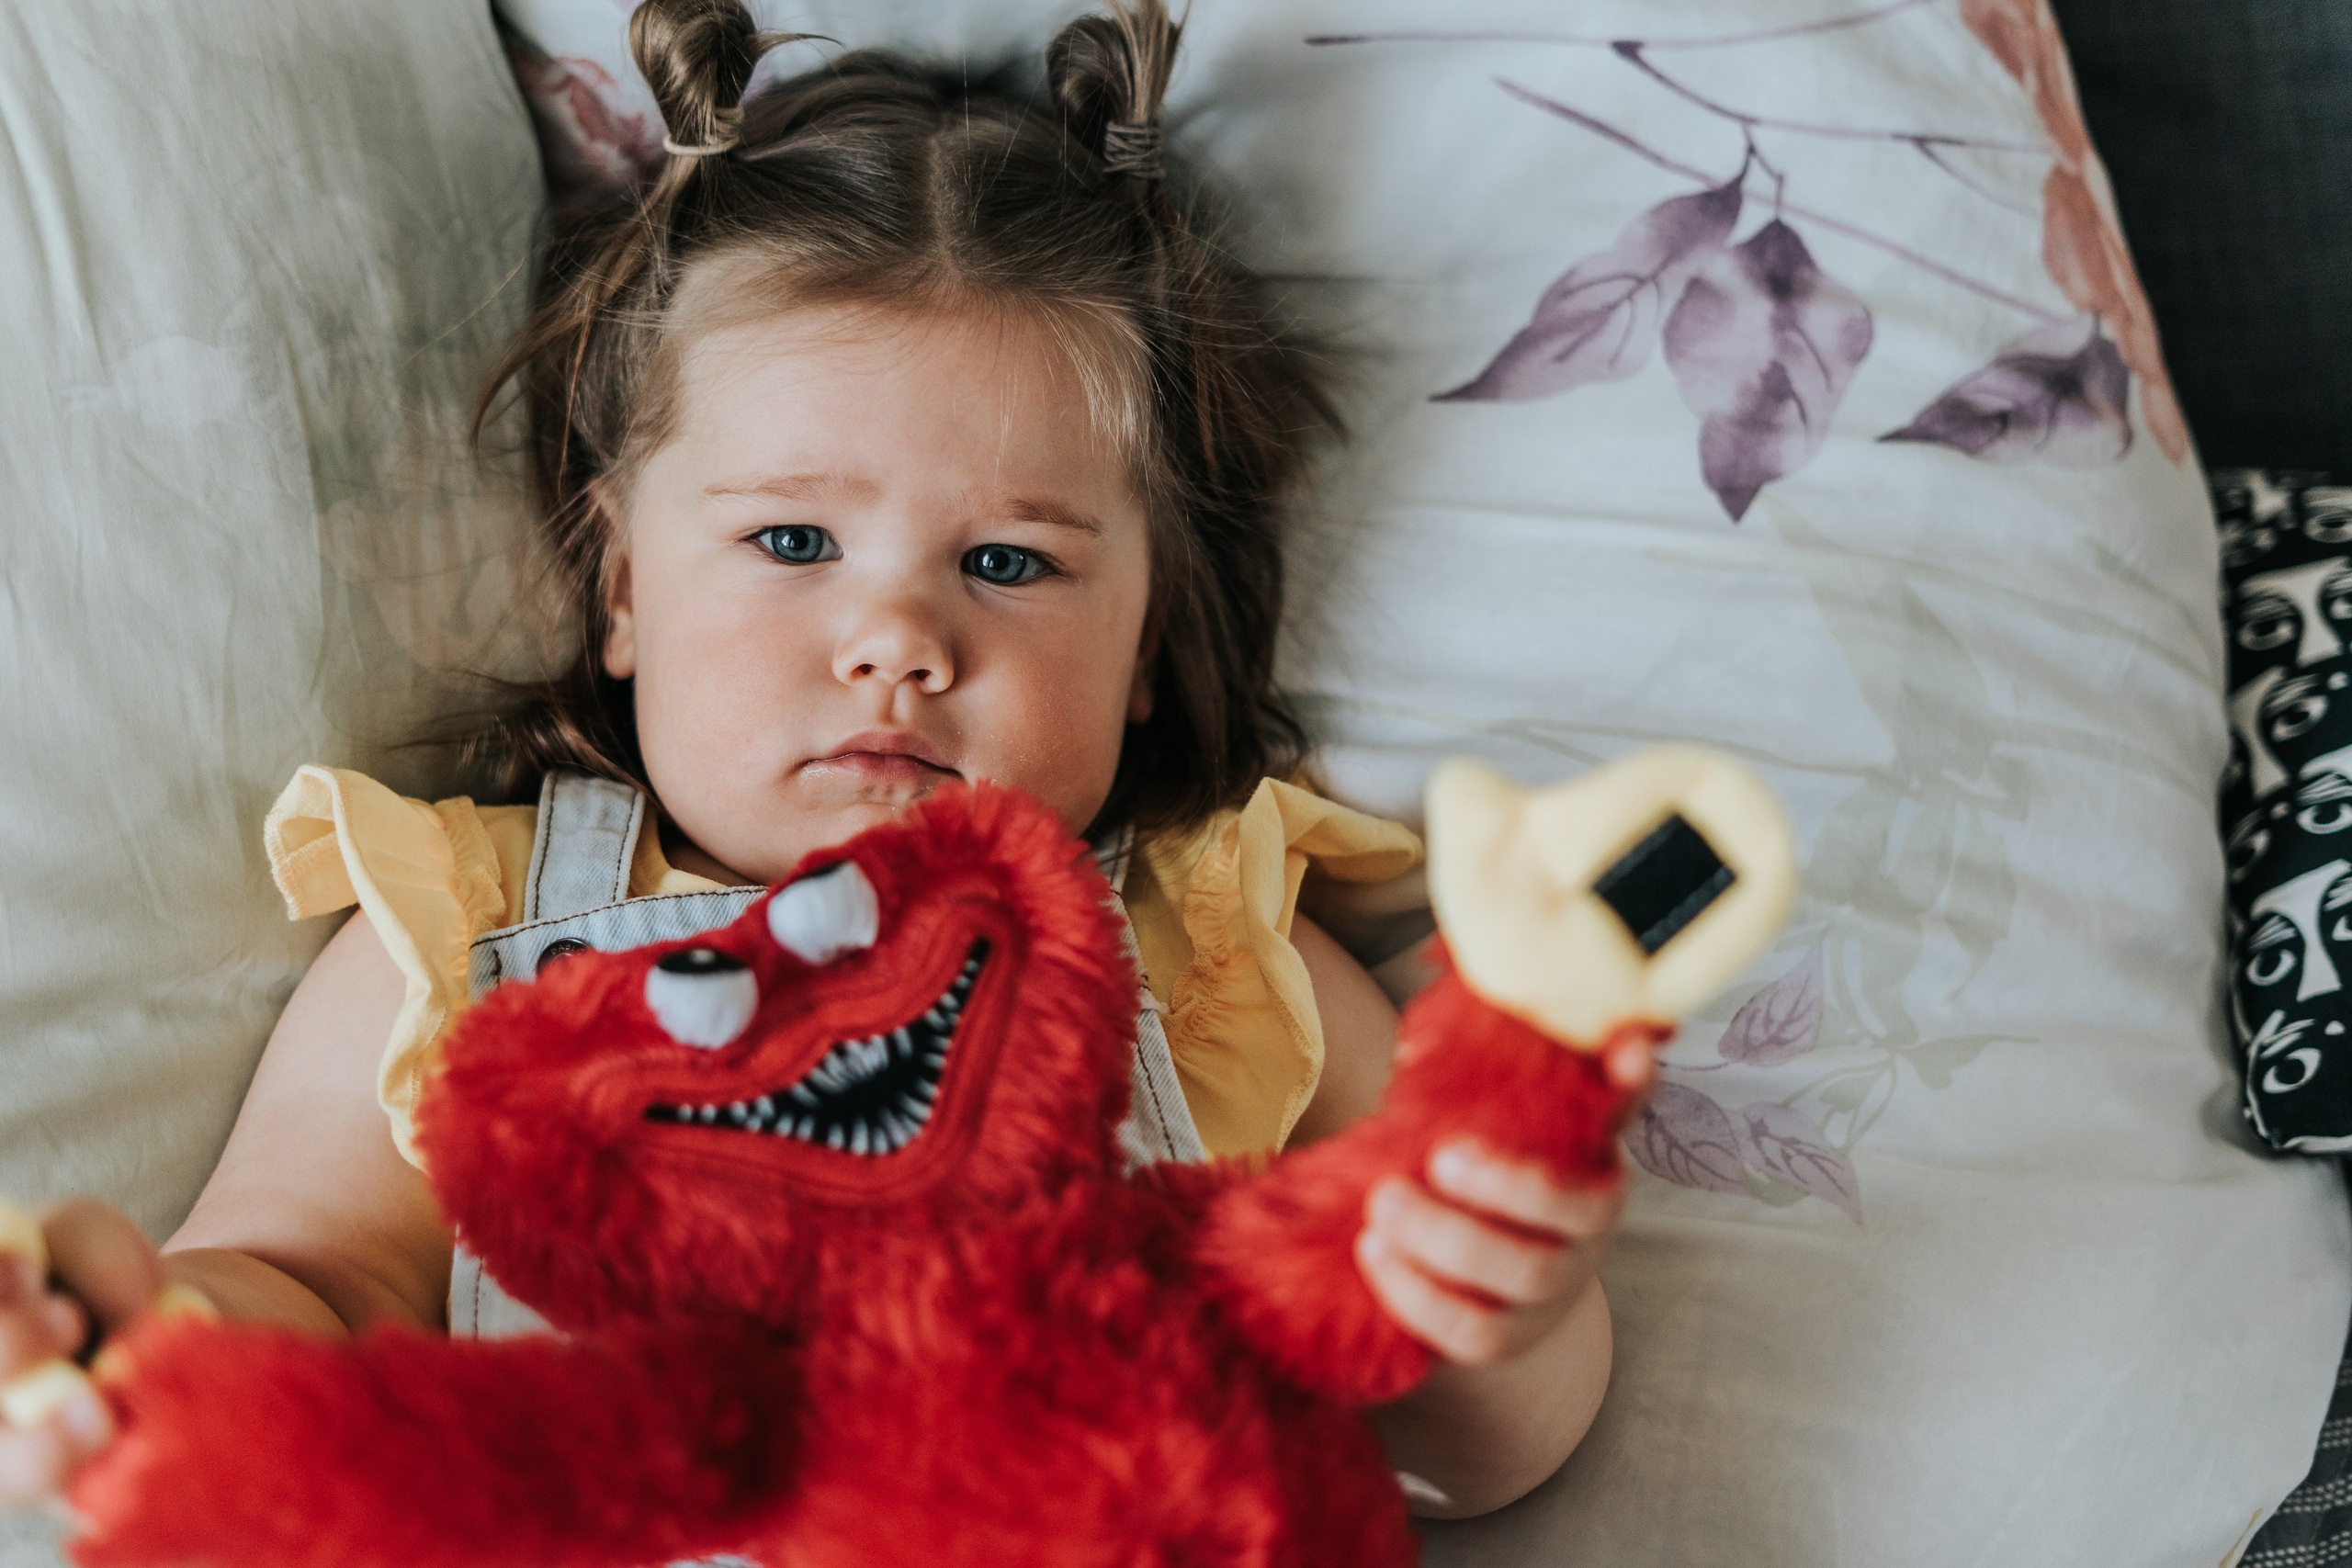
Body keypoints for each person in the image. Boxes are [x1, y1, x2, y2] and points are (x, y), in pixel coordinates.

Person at [0, 0, 1651, 1524]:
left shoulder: (1214, 949)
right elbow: (321, 1281)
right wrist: (153, 1337)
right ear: (626, 587)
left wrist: (1494, 1288)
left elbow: (1476, 1452)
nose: (899, 639)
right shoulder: (460, 928)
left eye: (1009, 563)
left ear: (1147, 653)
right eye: (794, 538)